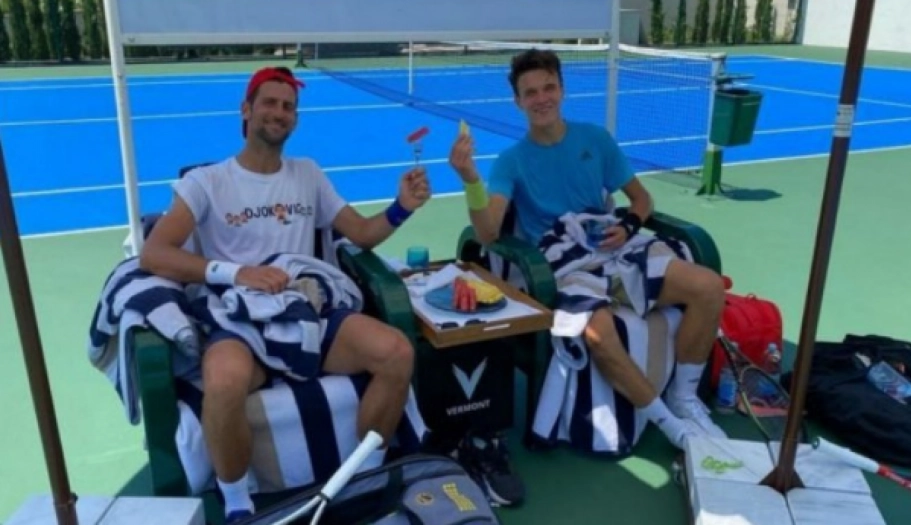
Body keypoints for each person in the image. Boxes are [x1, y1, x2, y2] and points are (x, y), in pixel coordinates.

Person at [140, 67, 431, 523]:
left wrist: (401, 209)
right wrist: (238, 273)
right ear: (246, 110)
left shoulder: (308, 174)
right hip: (239, 320)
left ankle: (361, 476)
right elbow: (154, 253)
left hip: (307, 313)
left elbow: (361, 233)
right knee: (223, 383)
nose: (279, 112)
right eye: (270, 103)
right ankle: (238, 504)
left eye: (288, 106)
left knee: (396, 352)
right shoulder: (206, 182)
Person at [447, 49, 727, 453]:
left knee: (708, 286)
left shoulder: (595, 139)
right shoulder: (510, 162)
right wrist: (470, 179)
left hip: (617, 248)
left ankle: (684, 400)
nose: (541, 98)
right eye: (530, 92)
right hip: (563, 263)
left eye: (548, 88)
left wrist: (628, 225)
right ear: (518, 101)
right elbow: (488, 232)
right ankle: (672, 427)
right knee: (597, 330)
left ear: (562, 90)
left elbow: (641, 200)